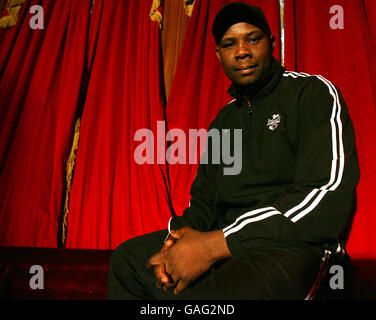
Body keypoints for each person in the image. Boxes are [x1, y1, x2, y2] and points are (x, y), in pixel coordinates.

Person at [107, 2, 360, 300]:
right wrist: (174, 248)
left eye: (253, 39)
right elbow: (203, 204)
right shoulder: (224, 121)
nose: (242, 51)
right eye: (230, 44)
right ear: (219, 54)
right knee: (128, 261)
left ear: (272, 44)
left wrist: (214, 245)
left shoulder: (312, 93)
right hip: (227, 246)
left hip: (294, 247)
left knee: (213, 296)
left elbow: (324, 199)